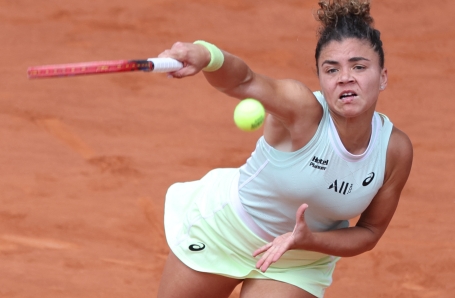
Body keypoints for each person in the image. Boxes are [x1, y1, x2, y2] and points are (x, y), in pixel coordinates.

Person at [156, 0, 413, 297]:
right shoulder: (302, 110)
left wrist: (308, 240)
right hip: (226, 231)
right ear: (320, 79)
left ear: (382, 77)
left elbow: (369, 233)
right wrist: (207, 55)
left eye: (359, 66)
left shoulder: (394, 151)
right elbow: (244, 80)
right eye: (331, 70)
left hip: (298, 261)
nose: (345, 77)